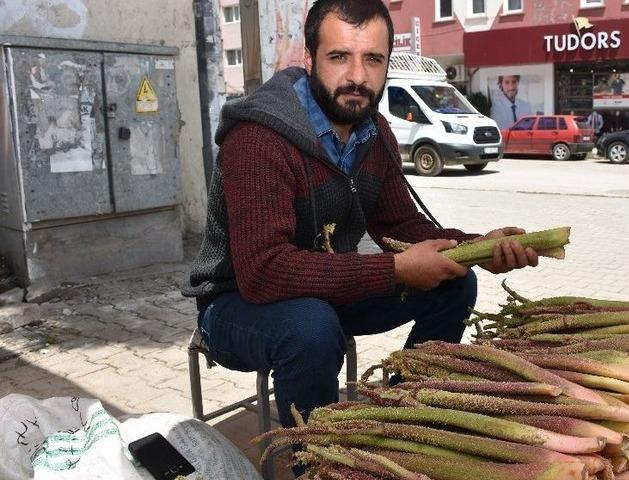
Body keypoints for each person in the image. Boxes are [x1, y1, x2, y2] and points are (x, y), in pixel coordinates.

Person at [182, 0, 538, 435]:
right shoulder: (258, 138)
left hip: (325, 292)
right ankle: (317, 457)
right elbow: (263, 273)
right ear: (309, 59)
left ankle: (405, 413)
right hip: (236, 305)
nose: (357, 76)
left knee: (455, 282)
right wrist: (395, 270)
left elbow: (400, 226)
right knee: (311, 327)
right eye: (339, 57)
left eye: (373, 59)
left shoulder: (374, 131)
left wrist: (477, 247)